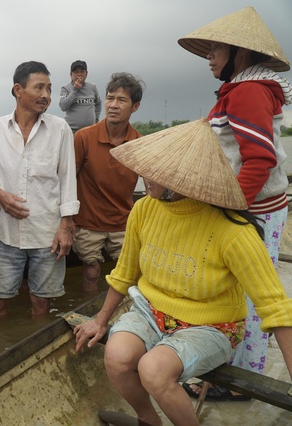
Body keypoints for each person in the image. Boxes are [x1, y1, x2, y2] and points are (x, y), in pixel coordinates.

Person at [73, 118, 292, 426]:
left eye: (156, 172)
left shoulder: (233, 232)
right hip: (152, 311)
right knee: (117, 357)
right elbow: (124, 272)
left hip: (211, 325)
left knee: (153, 370)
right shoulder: (145, 209)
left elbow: (276, 308)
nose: (144, 176)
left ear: (182, 180)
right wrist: (100, 320)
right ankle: (149, 420)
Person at [178, 6, 292, 401]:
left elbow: (259, 158)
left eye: (215, 50)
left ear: (238, 53)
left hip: (252, 211)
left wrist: (233, 211)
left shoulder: (247, 92)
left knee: (250, 296)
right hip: (258, 206)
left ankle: (241, 383)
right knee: (247, 292)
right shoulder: (246, 88)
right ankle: (236, 371)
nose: (209, 57)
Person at [0, 61, 79, 317]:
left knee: (42, 303)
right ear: (18, 90)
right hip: (7, 234)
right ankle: (0, 349)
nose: (46, 95)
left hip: (47, 234)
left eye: (49, 88)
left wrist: (66, 226)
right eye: (39, 88)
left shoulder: (60, 129)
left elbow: (68, 180)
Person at [72, 72, 143, 292]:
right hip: (88, 222)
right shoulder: (84, 137)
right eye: (110, 98)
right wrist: (67, 221)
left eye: (121, 100)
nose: (113, 105)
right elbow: (67, 181)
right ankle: (89, 314)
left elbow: (152, 187)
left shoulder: (139, 143)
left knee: (131, 275)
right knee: (91, 271)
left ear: (135, 107)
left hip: (123, 222)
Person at [59, 60, 102, 134]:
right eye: (76, 72)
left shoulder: (92, 87)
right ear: (71, 75)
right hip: (71, 132)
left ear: (86, 74)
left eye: (82, 71)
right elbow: (63, 106)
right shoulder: (65, 88)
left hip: (90, 131)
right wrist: (75, 90)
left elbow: (98, 103)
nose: (79, 74)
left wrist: (96, 119)